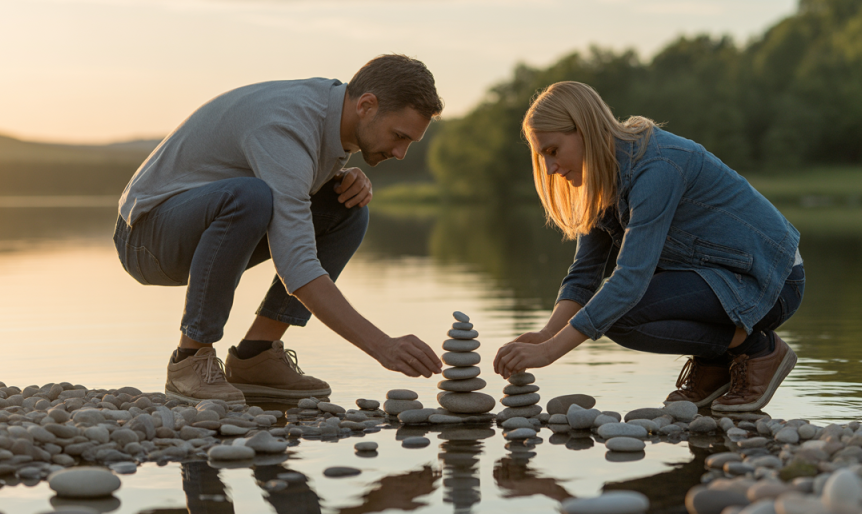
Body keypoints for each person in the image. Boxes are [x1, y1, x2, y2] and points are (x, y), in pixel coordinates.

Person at [114, 54, 443, 404]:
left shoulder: (330, 113)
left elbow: (291, 178)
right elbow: (296, 263)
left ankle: (256, 356)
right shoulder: (286, 122)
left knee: (346, 209)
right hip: (146, 237)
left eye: (409, 142)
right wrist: (382, 345)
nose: (401, 152)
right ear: (366, 105)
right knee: (250, 197)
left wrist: (338, 178)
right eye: (398, 135)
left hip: (202, 219)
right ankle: (189, 359)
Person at [494, 81, 804, 412]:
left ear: (584, 129)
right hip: (715, 279)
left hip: (770, 282)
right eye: (543, 158)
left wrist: (550, 352)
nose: (550, 169)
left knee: (616, 313)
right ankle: (717, 363)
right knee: (607, 310)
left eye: (553, 151)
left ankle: (758, 350)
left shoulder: (657, 166)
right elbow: (584, 275)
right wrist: (546, 333)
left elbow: (629, 281)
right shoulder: (602, 179)